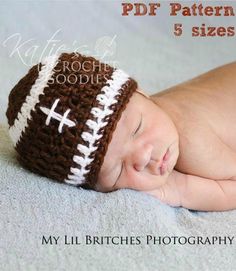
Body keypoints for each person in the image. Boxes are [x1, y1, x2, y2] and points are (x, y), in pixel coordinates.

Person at [6, 52, 236, 212]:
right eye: (118, 171)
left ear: (143, 93)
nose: (144, 156)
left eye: (137, 129)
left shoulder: (193, 142)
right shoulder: (150, 114)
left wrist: (180, 191)